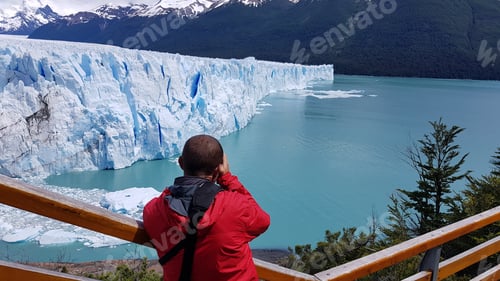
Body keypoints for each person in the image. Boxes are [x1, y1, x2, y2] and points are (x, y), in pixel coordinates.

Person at [143, 134, 270, 281]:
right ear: (218, 170)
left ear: (181, 163)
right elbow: (263, 221)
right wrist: (227, 178)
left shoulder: (154, 211)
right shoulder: (234, 206)